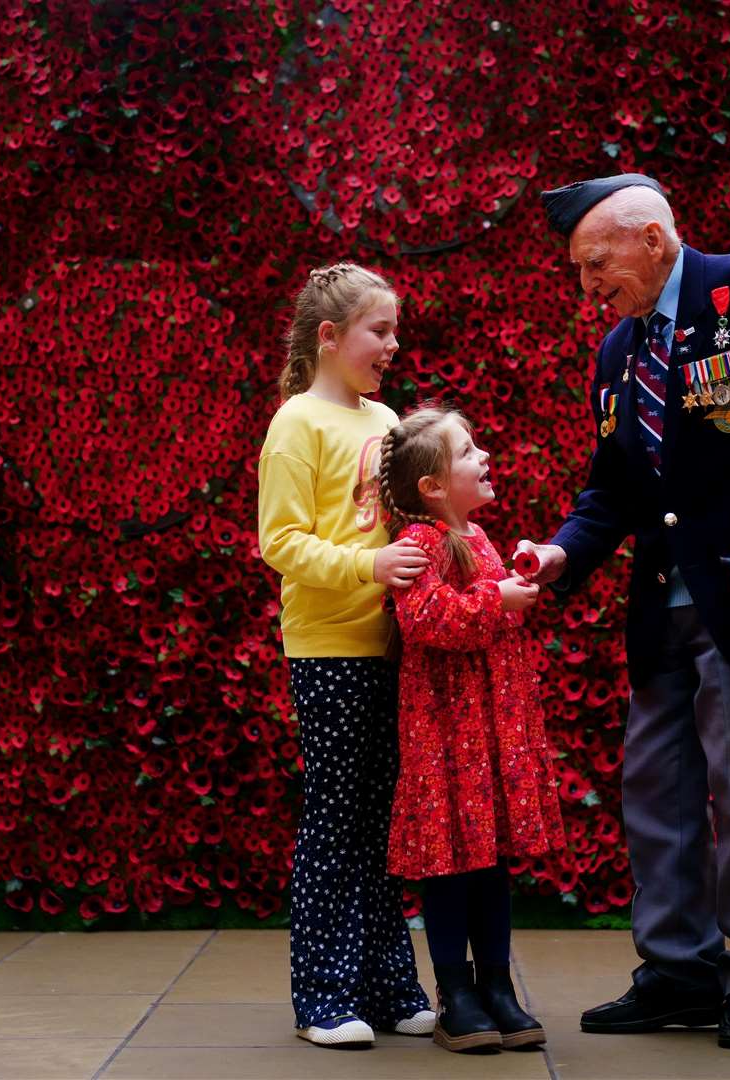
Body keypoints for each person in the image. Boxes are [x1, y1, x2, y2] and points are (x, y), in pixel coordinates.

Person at [514, 174, 730, 1049]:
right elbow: (613, 489)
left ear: (654, 241)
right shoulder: (618, 352)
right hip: (661, 609)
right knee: (654, 792)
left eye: (597, 263)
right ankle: (679, 972)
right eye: (580, 269)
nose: (587, 286)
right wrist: (563, 551)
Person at [257, 263, 436, 1049]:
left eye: (395, 331)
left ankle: (391, 989)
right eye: (379, 331)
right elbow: (281, 542)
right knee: (334, 822)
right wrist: (367, 569)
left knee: (378, 827)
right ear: (329, 338)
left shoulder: (387, 419)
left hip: (390, 648)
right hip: (329, 651)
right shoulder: (297, 423)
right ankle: (322, 999)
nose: (393, 345)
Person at [377, 405, 565, 1054]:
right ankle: (454, 995)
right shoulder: (418, 544)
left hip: (490, 733)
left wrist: (510, 585)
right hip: (444, 736)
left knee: (491, 865)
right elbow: (428, 619)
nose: (483, 456)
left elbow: (486, 621)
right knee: (449, 866)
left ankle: (497, 988)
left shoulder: (479, 537)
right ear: (432, 486)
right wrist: (499, 600)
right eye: (468, 450)